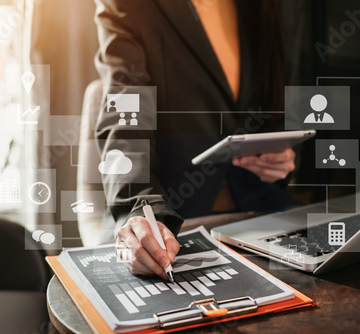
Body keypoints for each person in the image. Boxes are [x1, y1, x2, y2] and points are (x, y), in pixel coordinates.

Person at [94, 0, 296, 280]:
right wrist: (139, 205)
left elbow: (274, 102)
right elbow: (125, 115)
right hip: (174, 226)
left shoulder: (266, 8)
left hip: (262, 216)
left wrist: (281, 156)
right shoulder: (128, 6)